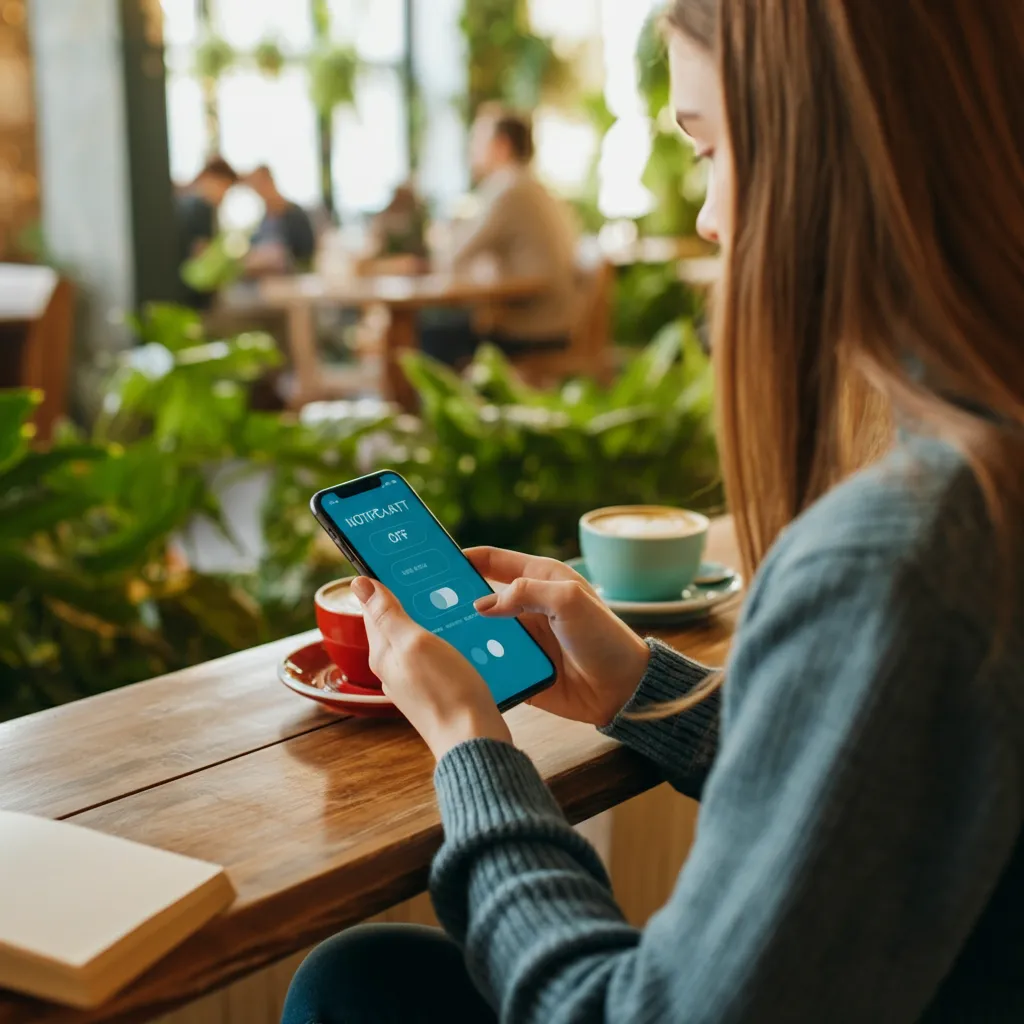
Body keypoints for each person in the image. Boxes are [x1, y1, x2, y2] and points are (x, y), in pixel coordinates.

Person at [283, 0, 1024, 1021]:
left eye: (713, 148)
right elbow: (899, 772)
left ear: (838, 155)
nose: (712, 218)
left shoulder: (902, 550)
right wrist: (647, 688)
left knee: (349, 989)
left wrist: (469, 745)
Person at [420, 106, 579, 367]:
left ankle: (433, 408)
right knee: (444, 329)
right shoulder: (532, 186)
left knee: (432, 333)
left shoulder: (509, 189)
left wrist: (440, 236)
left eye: (478, 139)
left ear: (501, 145)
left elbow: (451, 257)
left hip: (532, 328)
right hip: (551, 319)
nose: (472, 149)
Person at [175, 156, 238, 309]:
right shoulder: (201, 207)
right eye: (225, 187)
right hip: (191, 296)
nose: (224, 195)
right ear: (210, 178)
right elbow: (202, 254)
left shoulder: (184, 202)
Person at [242, 165, 316, 275]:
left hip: (290, 279)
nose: (258, 190)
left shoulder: (295, 215)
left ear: (270, 181)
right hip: (264, 279)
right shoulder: (263, 219)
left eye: (259, 184)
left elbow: (306, 253)